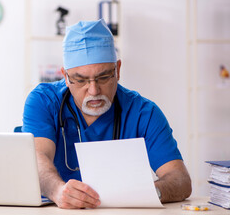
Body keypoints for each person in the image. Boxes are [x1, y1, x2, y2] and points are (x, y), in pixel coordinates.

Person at [22, 19, 192, 209]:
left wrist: (147, 193)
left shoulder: (144, 113)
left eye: (103, 77)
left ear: (117, 70)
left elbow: (180, 180)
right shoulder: (44, 101)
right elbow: (37, 158)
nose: (94, 90)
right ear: (66, 77)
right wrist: (57, 191)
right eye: (80, 80)